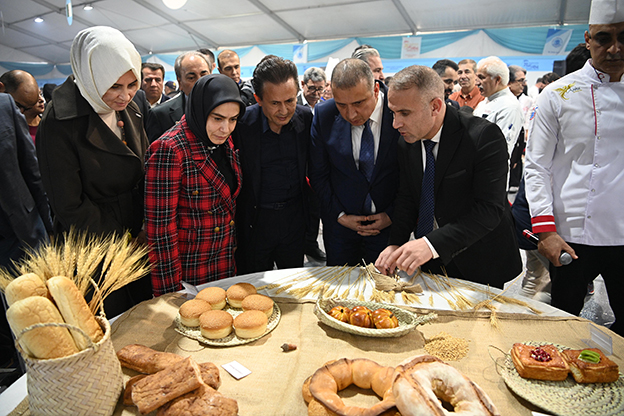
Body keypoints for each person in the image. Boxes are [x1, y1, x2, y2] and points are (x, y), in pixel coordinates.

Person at [36, 26, 152, 316]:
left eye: (132, 85)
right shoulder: (59, 119)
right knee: (110, 322)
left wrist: (144, 226)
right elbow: (67, 203)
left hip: (135, 234)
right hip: (92, 244)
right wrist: (122, 240)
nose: (125, 96)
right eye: (114, 86)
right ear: (90, 75)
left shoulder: (132, 107)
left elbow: (143, 166)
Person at [524, 0, 624, 335]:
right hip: (569, 234)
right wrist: (545, 230)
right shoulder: (557, 95)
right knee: (562, 324)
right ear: (588, 39)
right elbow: (536, 166)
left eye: (623, 37)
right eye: (604, 38)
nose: (614, 48)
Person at [375, 66, 522, 287]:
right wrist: (395, 243)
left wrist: (431, 244)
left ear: (435, 106)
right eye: (393, 113)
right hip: (430, 261)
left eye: (404, 113)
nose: (396, 124)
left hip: (479, 260)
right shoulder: (408, 141)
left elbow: (489, 210)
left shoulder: (482, 137)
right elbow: (408, 197)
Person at [145, 75, 245, 296]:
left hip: (224, 264)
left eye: (233, 119)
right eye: (218, 118)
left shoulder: (221, 140)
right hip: (189, 275)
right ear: (200, 110)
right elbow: (160, 232)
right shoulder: (169, 149)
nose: (225, 128)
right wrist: (169, 295)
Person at [309, 58, 399, 266]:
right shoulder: (324, 115)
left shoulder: (398, 110)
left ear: (376, 90)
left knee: (384, 292)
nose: (351, 114)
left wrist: (392, 215)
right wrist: (339, 215)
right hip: (340, 229)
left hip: (389, 228)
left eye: (359, 103)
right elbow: (318, 174)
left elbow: (411, 174)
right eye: (341, 105)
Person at [233, 56, 312, 274]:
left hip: (294, 220)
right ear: (258, 98)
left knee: (293, 283)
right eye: (275, 103)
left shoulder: (305, 119)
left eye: (290, 101)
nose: (284, 110)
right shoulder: (242, 125)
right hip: (256, 222)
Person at [146, 51, 211, 142]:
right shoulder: (161, 115)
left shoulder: (225, 107)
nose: (200, 82)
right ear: (180, 82)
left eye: (204, 75)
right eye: (191, 78)